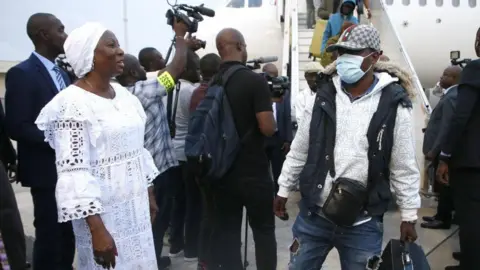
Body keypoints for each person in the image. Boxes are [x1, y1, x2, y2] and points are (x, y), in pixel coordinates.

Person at [274, 24, 420, 269]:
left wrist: (409, 215)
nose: (342, 59)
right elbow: (300, 148)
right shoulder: (322, 96)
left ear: (374, 57)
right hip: (314, 217)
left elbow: (403, 164)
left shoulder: (394, 104)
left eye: (351, 53)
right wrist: (283, 188)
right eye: (340, 52)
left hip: (362, 223)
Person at [34, 22, 162, 269]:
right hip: (103, 216)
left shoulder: (124, 95)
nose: (120, 51)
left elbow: (137, 149)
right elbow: (74, 173)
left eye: (119, 44)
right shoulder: (70, 105)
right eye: (111, 45)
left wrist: (149, 190)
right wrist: (97, 230)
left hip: (135, 208)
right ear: (88, 55)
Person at [201, 28, 277, 270]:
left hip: (221, 172)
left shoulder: (212, 82)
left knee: (228, 233)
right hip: (253, 172)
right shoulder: (254, 81)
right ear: (241, 46)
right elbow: (267, 127)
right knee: (263, 232)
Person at [4, 13, 75, 270]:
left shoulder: (64, 74)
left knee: (68, 235)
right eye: (60, 29)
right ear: (44, 34)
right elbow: (17, 126)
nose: (65, 35)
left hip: (69, 170)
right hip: (45, 173)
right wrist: (62, 140)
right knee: (49, 236)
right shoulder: (21, 73)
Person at [115, 39, 189, 269]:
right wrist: (181, 43)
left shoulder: (121, 94)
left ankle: (151, 259)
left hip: (143, 172)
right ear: (131, 71)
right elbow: (174, 72)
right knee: (156, 222)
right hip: (156, 173)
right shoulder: (143, 91)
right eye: (138, 65)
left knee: (150, 222)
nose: (143, 69)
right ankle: (152, 262)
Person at [437, 27, 480, 270]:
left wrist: (445, 156)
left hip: (472, 163)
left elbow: (461, 116)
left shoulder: (475, 69)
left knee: (471, 219)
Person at [168, 50, 202, 262]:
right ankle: (191, 250)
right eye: (196, 68)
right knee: (192, 202)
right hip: (185, 152)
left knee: (176, 202)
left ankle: (174, 245)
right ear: (187, 69)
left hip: (168, 152)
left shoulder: (165, 85)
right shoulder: (192, 91)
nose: (199, 72)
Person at [421, 66, 461, 230]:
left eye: (445, 75)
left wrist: (434, 150)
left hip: (441, 150)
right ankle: (439, 215)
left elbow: (446, 127)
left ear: (454, 79)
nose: (441, 77)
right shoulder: (450, 95)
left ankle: (443, 219)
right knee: (441, 185)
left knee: (444, 186)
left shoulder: (452, 97)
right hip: (439, 149)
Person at [262, 63, 293, 192]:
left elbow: (287, 116)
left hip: (278, 139)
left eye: (276, 76)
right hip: (262, 138)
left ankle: (278, 202)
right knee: (262, 173)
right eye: (271, 77)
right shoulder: (258, 92)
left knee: (278, 173)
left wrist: (287, 140)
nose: (274, 80)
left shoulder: (283, 93)